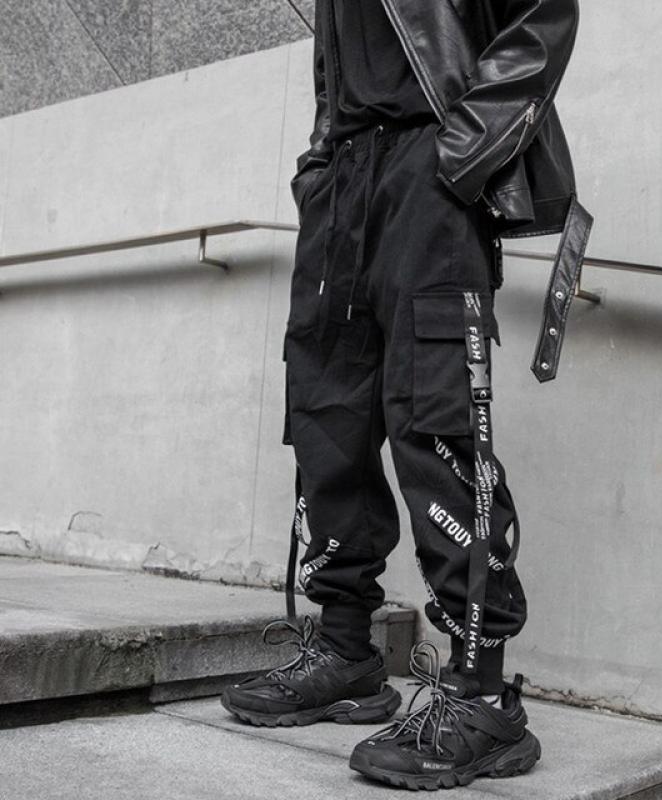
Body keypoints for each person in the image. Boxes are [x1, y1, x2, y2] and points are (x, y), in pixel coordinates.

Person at [222, 0, 590, 790]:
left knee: (434, 417)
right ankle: (346, 650)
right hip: (343, 180)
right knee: (326, 413)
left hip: (432, 168)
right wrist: (319, 168)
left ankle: (482, 695)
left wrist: (462, 153)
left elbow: (544, 17)